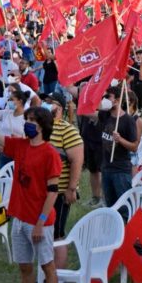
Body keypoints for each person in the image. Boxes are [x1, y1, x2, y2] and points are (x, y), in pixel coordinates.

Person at [0, 99, 62, 283]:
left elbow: (53, 192)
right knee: (25, 268)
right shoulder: (20, 146)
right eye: (26, 120)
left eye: (32, 121)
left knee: (47, 266)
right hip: (19, 218)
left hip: (40, 221)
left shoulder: (50, 154)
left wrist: (40, 222)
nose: (27, 124)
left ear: (42, 126)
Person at [46, 95, 83, 270]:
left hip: (59, 192)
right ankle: (47, 272)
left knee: (57, 233)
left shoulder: (67, 130)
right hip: (42, 192)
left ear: (59, 109)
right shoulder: (43, 128)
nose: (46, 106)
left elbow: (77, 160)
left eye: (50, 103)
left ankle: (58, 276)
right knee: (46, 232)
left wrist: (71, 188)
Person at [96, 85, 138, 210]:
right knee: (110, 205)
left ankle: (126, 227)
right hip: (106, 167)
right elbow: (93, 106)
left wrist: (120, 140)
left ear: (118, 100)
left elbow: (134, 147)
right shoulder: (104, 115)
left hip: (121, 170)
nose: (106, 99)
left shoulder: (128, 121)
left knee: (124, 206)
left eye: (108, 97)